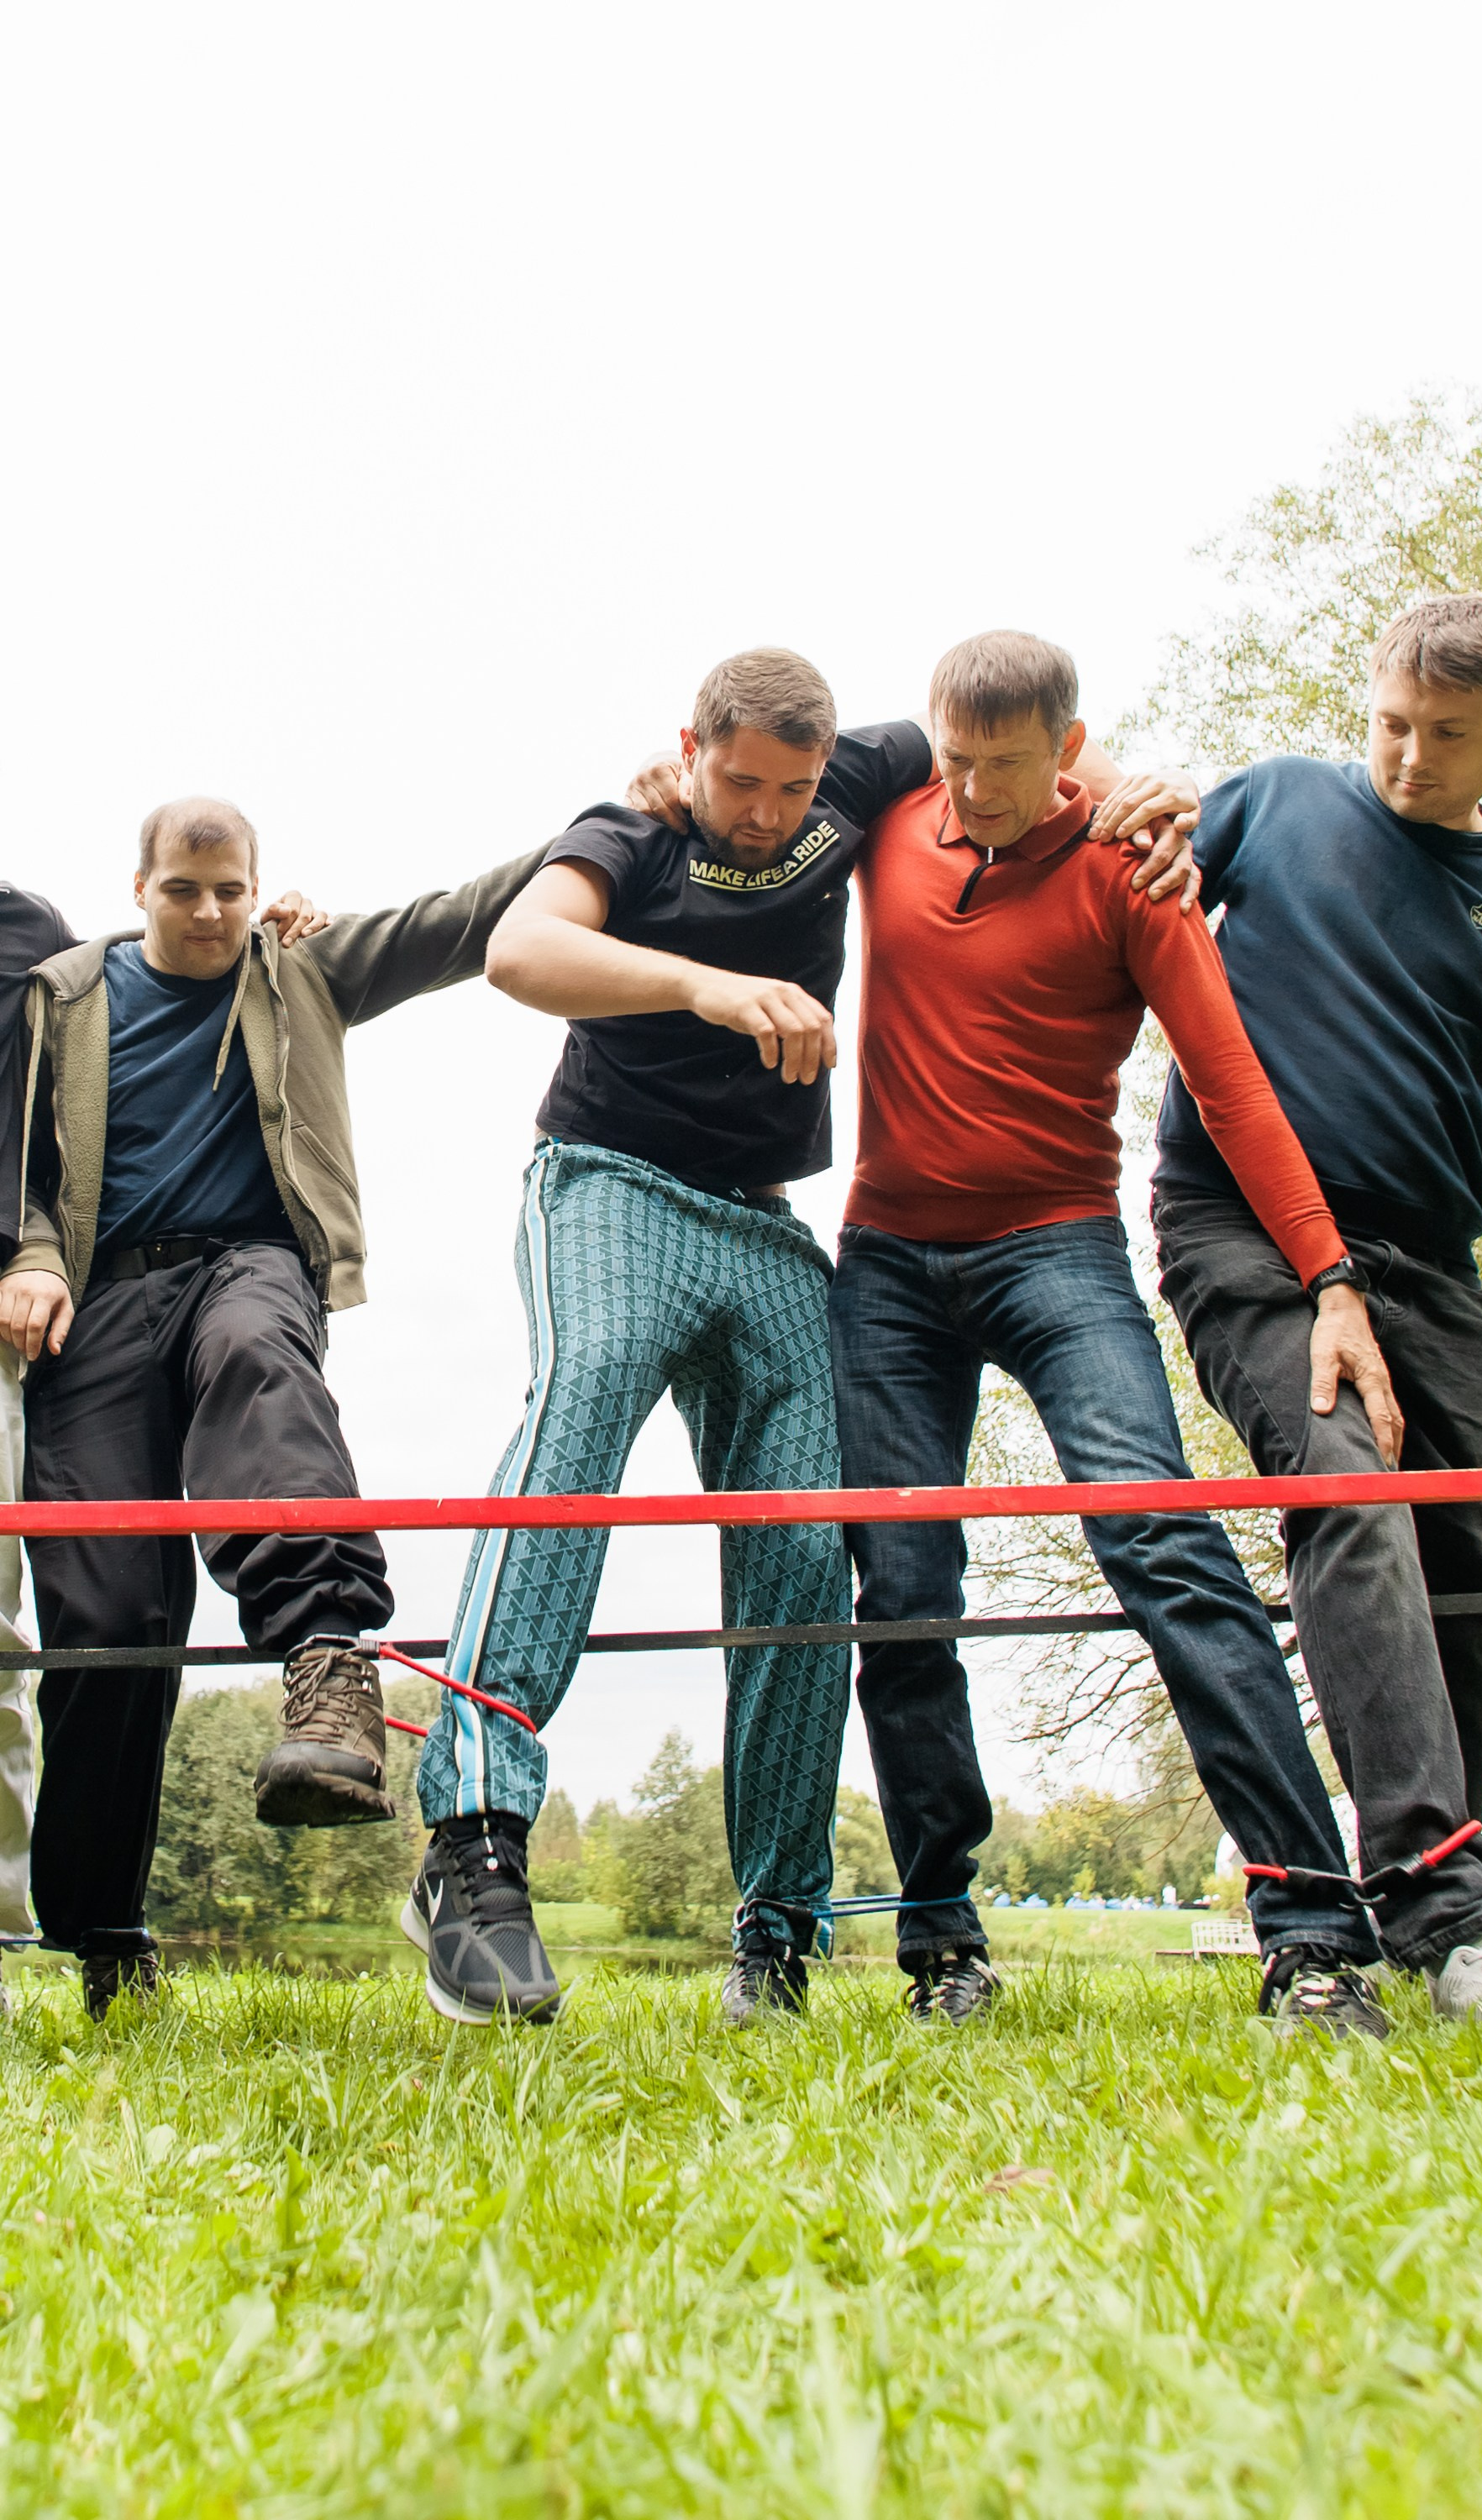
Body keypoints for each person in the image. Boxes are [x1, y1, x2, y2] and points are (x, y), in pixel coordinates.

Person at [410, 648, 1151, 2029]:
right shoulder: (626, 833)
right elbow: (522, 950)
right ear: (688, 745)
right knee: (589, 1398)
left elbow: (1005, 745)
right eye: (740, 782)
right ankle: (476, 1841)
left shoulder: (860, 775)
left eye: (789, 791)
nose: (762, 814)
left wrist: (1132, 789)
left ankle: (780, 1930)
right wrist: (706, 986)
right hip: (611, 1184)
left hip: (766, 1225)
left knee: (813, 1539)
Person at [812, 628, 1415, 2034]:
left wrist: (1330, 1278)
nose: (967, 793)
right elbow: (742, 839)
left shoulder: (1133, 874)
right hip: (886, 1263)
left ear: (1068, 752)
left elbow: (1235, 1086)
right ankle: (942, 1943)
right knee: (897, 1590)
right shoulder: (893, 823)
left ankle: (1312, 1935)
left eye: (1002, 768)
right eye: (952, 759)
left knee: (1160, 1537)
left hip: (1057, 1252)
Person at [1151, 592, 1482, 2035]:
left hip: (1432, 1272)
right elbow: (1140, 863)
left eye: (1447, 737)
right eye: (1390, 723)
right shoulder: (1282, 802)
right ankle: (1458, 1913)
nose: (1407, 760)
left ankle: (1425, 1915)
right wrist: (1131, 809)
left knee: (1470, 1571)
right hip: (1242, 1232)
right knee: (1347, 1486)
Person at [0, 799, 545, 2016]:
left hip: (249, 1263)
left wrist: (611, 834)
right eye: (183, 891)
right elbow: (19, 1157)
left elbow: (454, 924)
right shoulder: (62, 997)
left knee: (260, 1359)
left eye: (230, 891)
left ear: (260, 888)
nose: (208, 914)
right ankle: (104, 1930)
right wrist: (31, 1252)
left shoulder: (300, 967)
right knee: (107, 1614)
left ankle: (328, 1660)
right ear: (137, 886)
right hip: (98, 1301)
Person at [0, 873, 320, 1971]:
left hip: (54, 1316)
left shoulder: (29, 941)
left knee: (115, 1622)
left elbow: (97, 1078)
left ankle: (100, 1925)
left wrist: (259, 948)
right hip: (69, 1305)